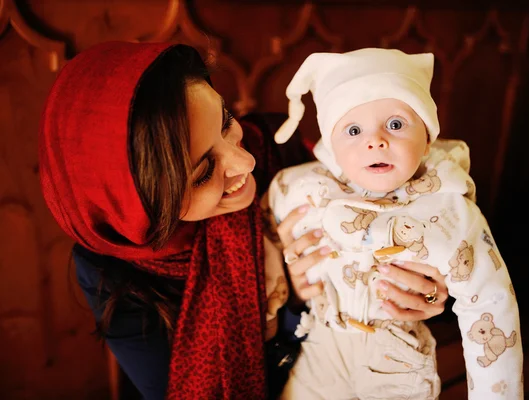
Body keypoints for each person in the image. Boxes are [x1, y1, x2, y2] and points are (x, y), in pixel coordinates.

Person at [38, 41, 450, 400]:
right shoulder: (110, 269)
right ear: (138, 208)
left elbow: (409, 223)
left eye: (226, 123)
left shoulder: (276, 146)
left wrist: (430, 290)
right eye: (202, 172)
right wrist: (287, 304)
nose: (246, 161)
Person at [266, 48, 523, 399]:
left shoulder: (450, 212)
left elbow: (491, 307)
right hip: (322, 347)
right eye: (353, 129)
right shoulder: (301, 189)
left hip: (394, 357)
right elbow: (265, 230)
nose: (376, 140)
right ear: (331, 148)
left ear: (427, 138)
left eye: (396, 124)